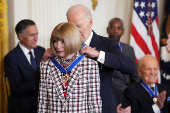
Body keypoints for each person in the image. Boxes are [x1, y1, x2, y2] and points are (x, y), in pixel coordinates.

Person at [66, 4, 135, 113]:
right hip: (72, 108)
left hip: (103, 107)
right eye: (71, 27)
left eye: (79, 26)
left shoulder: (107, 44)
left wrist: (98, 54)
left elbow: (129, 67)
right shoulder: (64, 45)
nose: (75, 31)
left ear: (90, 22)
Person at [38, 22, 102, 112]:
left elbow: (94, 103)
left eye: (63, 41)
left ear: (73, 40)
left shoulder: (90, 66)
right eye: (55, 41)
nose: (58, 46)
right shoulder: (46, 66)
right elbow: (42, 103)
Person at [4, 19, 45, 113]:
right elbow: (19, 88)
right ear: (20, 36)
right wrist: (43, 83)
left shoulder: (42, 51)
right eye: (32, 35)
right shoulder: (11, 58)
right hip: (23, 103)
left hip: (43, 100)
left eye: (37, 34)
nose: (36, 38)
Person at [107, 17, 140, 92]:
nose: (115, 31)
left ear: (123, 31)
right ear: (107, 29)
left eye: (119, 28)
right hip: (106, 90)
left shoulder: (129, 49)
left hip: (125, 91)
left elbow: (134, 75)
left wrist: (132, 92)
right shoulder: (100, 47)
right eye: (112, 27)